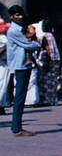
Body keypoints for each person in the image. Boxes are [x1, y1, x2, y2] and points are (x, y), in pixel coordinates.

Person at [6, 8, 40, 136]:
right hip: (20, 65)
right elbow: (28, 45)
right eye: (17, 15)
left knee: (20, 97)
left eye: (21, 14)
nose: (20, 17)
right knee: (19, 97)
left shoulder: (19, 29)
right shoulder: (14, 31)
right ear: (11, 17)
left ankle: (17, 127)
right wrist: (36, 44)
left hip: (23, 65)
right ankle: (16, 128)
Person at [33, 22, 60, 106]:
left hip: (48, 61)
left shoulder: (46, 36)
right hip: (54, 61)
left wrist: (47, 62)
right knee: (52, 81)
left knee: (46, 82)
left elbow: (49, 50)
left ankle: (46, 100)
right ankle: (52, 100)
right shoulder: (51, 35)